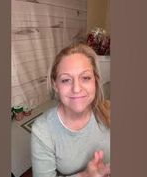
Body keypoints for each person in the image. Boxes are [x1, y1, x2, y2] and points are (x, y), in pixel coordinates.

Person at [31, 43, 110, 177]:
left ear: (95, 81)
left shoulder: (108, 111)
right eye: (66, 80)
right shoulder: (42, 131)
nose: (77, 89)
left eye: (85, 78)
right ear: (55, 85)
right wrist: (86, 175)